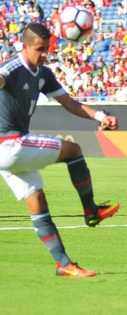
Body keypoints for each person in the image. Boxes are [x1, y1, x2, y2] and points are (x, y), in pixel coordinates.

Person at [0, 23, 120, 277]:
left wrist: (100, 115)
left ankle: (64, 265)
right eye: (39, 49)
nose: (44, 54)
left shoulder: (43, 73)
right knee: (74, 150)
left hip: (12, 150)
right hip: (9, 145)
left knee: (38, 203)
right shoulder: (10, 69)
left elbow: (70, 104)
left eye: (47, 49)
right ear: (25, 46)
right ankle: (91, 210)